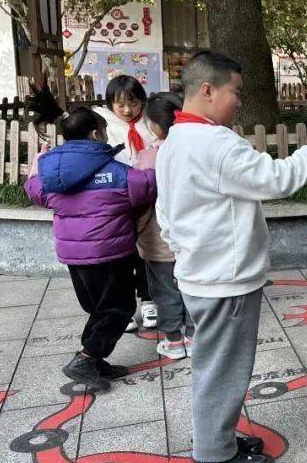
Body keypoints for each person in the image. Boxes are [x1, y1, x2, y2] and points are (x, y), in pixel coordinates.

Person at [156, 50, 307, 463]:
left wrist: (187, 252)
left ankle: (217, 439)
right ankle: (214, 454)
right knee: (223, 367)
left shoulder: (174, 141)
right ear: (207, 90)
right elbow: (279, 179)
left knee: (214, 362)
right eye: (234, 92)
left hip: (202, 273)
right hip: (225, 279)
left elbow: (166, 214)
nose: (238, 101)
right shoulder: (214, 143)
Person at [25, 107, 157, 391]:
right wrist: (150, 163)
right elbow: (144, 189)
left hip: (75, 257)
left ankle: (95, 363)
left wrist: (35, 165)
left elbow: (35, 191)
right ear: (97, 133)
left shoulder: (50, 170)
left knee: (98, 309)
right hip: (110, 254)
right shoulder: (115, 172)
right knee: (119, 309)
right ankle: (87, 358)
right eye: (105, 132)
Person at [94, 75, 159, 331]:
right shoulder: (103, 125)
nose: (128, 110)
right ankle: (126, 307)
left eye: (133, 103)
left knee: (148, 249)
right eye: (120, 105)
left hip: (148, 196)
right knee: (122, 253)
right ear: (110, 104)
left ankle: (149, 299)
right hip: (118, 197)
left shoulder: (150, 122)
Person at [135, 91, 194, 360]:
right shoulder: (193, 150)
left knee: (164, 289)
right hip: (193, 236)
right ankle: (194, 337)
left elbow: (138, 198)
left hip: (158, 238)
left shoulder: (149, 156)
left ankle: (173, 340)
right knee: (192, 288)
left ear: (155, 125)